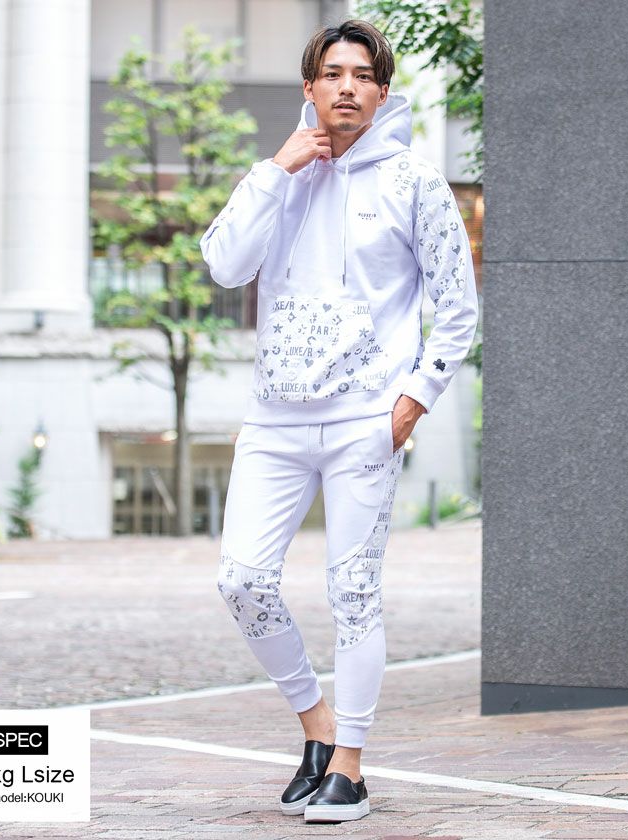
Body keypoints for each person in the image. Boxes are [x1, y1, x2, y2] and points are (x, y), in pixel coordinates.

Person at [200, 19, 479, 824]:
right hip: (274, 422)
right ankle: (317, 727)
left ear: (382, 92)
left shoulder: (415, 182)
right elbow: (224, 265)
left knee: (353, 592)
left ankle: (349, 766)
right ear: (311, 87)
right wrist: (273, 170)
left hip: (366, 420)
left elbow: (457, 308)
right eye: (332, 73)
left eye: (362, 75)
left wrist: (412, 402)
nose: (347, 86)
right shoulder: (281, 174)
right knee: (242, 580)